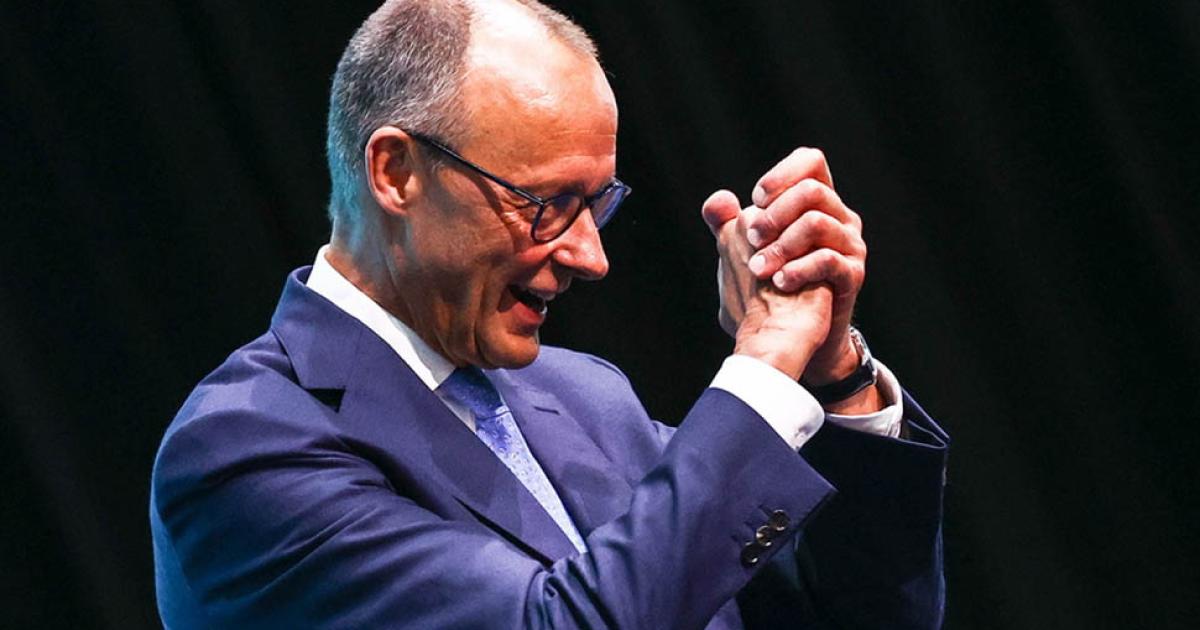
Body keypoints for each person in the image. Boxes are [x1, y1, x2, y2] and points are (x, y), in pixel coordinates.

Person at [150, 0, 948, 627]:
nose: (589, 257)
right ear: (396, 173)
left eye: (596, 204)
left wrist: (836, 377)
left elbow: (861, 618)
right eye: (546, 204)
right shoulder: (246, 448)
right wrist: (764, 365)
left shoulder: (584, 396)